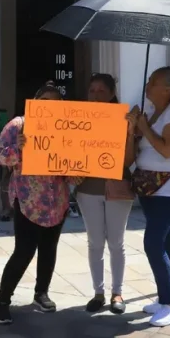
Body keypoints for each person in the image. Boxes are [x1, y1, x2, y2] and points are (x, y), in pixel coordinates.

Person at [0, 81, 72, 325]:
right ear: (35, 103)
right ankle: (2, 301)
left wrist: (75, 172)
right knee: (24, 250)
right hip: (29, 201)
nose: (51, 108)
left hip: (56, 199)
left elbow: (71, 159)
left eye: (56, 104)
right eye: (45, 102)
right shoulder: (18, 125)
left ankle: (41, 293)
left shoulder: (66, 128)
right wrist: (18, 149)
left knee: (49, 248)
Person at [127, 66, 170, 327]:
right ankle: (168, 291)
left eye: (152, 82)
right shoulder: (154, 110)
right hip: (149, 184)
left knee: (153, 242)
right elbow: (143, 144)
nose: (147, 86)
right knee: (165, 236)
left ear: (166, 88)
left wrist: (144, 126)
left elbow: (168, 150)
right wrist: (135, 128)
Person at [75, 74, 135, 314]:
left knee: (116, 242)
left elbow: (129, 160)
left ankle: (117, 292)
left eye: (101, 91)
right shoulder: (78, 120)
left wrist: (130, 132)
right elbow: (70, 153)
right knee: (95, 242)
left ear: (111, 94)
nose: (96, 95)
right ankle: (98, 293)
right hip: (88, 190)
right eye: (92, 91)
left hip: (117, 188)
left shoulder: (123, 120)